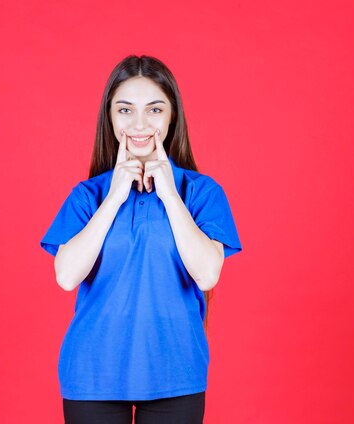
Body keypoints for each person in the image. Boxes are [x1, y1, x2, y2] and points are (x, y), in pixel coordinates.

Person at [39, 54, 242, 424]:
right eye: (125, 110)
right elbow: (67, 276)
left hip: (176, 374)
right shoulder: (89, 196)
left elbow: (207, 275)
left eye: (154, 110)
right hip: (92, 375)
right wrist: (115, 195)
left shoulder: (200, 192)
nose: (140, 123)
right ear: (111, 118)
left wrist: (169, 192)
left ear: (171, 117)